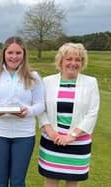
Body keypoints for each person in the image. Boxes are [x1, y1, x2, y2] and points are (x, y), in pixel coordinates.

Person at [0, 36, 45, 187]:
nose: (14, 57)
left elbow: (40, 104)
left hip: (24, 135)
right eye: (10, 53)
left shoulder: (34, 77)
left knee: (17, 180)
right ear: (3, 53)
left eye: (18, 53)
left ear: (24, 54)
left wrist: (27, 111)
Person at [38, 43, 100, 187]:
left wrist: (72, 136)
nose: (73, 63)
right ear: (61, 61)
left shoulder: (91, 82)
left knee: (72, 182)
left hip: (78, 142)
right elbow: (42, 110)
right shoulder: (47, 82)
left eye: (78, 60)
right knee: (50, 181)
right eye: (69, 59)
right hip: (52, 141)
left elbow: (92, 112)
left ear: (82, 62)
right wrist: (52, 133)